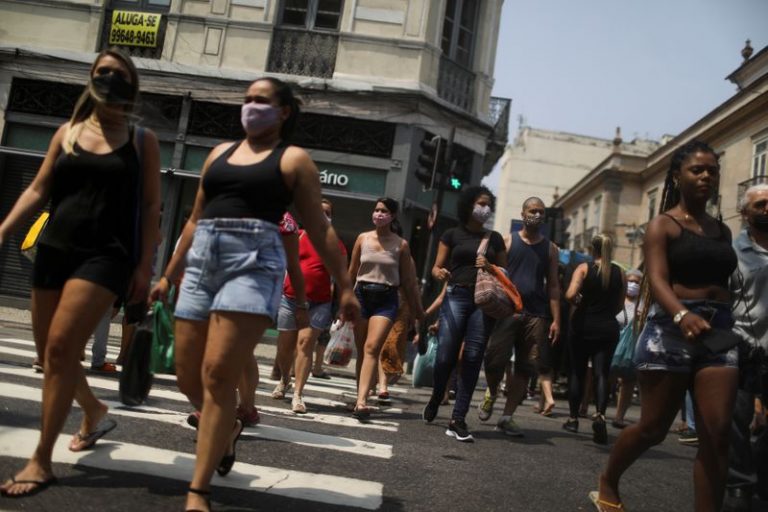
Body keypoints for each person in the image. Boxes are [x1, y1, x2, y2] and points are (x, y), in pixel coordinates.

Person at [149, 77, 359, 512]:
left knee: (218, 374)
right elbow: (194, 217)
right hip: (205, 256)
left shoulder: (293, 159)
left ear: (283, 111)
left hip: (254, 261)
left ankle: (198, 491)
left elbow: (318, 229)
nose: (251, 107)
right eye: (247, 100)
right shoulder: (218, 153)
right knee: (187, 373)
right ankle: (224, 432)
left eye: (261, 101)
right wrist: (168, 275)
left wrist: (345, 285)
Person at [0, 48, 161, 498]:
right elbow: (38, 187)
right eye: (102, 72)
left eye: (119, 74)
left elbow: (151, 206)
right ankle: (93, 410)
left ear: (132, 85)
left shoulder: (141, 139)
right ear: (90, 80)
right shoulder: (67, 132)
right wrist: (2, 230)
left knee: (58, 347)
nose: (110, 79)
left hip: (106, 256)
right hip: (55, 250)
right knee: (53, 357)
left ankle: (41, 459)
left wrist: (145, 267)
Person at [594, 140, 738, 512]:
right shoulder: (663, 225)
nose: (706, 176)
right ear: (678, 176)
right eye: (697, 170)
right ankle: (609, 479)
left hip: (718, 330)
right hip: (670, 329)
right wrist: (680, 314)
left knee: (717, 431)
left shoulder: (722, 231)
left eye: (712, 170)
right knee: (654, 429)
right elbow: (656, 279)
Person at [423, 186, 506, 442]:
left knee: (472, 356)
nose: (485, 209)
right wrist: (440, 273)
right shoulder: (451, 234)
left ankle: (458, 418)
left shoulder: (495, 239)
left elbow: (504, 271)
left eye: (488, 205)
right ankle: (438, 394)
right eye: (481, 203)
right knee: (446, 355)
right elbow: (437, 267)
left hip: (484, 301)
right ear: (469, 205)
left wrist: (491, 266)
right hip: (456, 295)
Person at [478, 196, 561, 436]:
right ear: (523, 213)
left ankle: (507, 416)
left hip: (537, 314)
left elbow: (554, 285)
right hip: (508, 312)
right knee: (494, 361)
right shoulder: (508, 242)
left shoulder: (551, 249)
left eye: (541, 212)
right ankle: (492, 392)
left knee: (527, 367)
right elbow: (495, 273)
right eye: (533, 210)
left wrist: (556, 319)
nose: (537, 215)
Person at [347, 198, 424, 419]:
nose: (379, 214)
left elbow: (409, 281)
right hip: (361, 294)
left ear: (393, 216)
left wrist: (418, 310)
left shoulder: (401, 245)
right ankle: (361, 394)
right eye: (377, 210)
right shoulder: (363, 238)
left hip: (387, 298)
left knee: (372, 347)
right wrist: (344, 301)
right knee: (362, 350)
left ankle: (362, 403)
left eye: (384, 211)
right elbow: (352, 273)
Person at [273, 201, 344, 414]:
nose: (323, 215)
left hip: (320, 302)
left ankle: (298, 394)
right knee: (285, 348)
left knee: (305, 344)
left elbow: (343, 278)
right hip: (290, 298)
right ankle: (285, 379)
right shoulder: (297, 235)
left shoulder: (335, 244)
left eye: (328, 213)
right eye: (319, 211)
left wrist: (341, 306)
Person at [723, 183, 768, 511]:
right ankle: (739, 483)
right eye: (761, 204)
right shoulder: (731, 253)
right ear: (745, 212)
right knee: (736, 419)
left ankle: (762, 478)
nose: (767, 209)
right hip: (741, 344)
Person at [563, 234, 624, 444]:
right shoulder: (619, 273)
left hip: (582, 326)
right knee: (601, 373)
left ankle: (572, 419)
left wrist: (581, 302)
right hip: (607, 328)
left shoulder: (584, 268)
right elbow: (619, 305)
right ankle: (600, 414)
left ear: (592, 248)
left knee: (577, 373)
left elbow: (570, 294)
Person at [611, 268, 642, 429]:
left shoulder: (643, 305)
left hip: (632, 349)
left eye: (637, 282)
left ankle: (619, 416)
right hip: (612, 345)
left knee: (628, 381)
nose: (633, 285)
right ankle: (598, 410)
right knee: (608, 377)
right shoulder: (616, 300)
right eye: (630, 281)